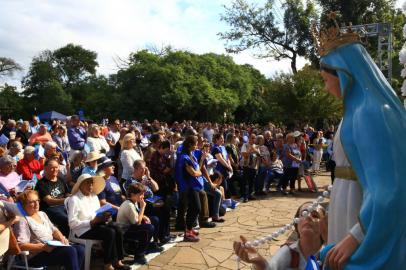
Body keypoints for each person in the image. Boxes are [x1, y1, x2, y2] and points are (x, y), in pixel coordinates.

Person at [315, 16, 406, 269]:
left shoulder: (372, 113)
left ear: (343, 73)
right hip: (346, 201)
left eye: (325, 79)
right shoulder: (353, 114)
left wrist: (356, 236)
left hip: (360, 212)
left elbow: (388, 188)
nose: (325, 88)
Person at [233, 202, 325, 270]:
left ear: (325, 225)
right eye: (304, 214)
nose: (308, 217)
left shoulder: (328, 254)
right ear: (296, 223)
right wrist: (260, 262)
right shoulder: (288, 252)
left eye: (315, 215)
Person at [66, 174, 130, 270]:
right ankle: (107, 264)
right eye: (87, 183)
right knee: (110, 232)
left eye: (91, 183)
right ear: (80, 185)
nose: (90, 186)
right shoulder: (74, 200)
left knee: (117, 228)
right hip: (82, 230)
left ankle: (118, 260)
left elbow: (97, 213)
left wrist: (104, 216)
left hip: (96, 224)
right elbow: (72, 224)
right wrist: (91, 222)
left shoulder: (94, 196)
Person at [13, 190, 84, 270]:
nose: (36, 204)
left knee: (80, 249)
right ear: (23, 205)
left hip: (51, 249)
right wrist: (42, 247)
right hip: (36, 256)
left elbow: (53, 229)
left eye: (37, 200)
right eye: (32, 202)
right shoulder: (23, 220)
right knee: (70, 251)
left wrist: (61, 237)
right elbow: (20, 245)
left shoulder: (42, 214)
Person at [117, 183, 162, 265]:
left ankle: (151, 245)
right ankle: (139, 255)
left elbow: (137, 214)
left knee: (154, 219)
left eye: (143, 194)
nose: (143, 197)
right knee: (149, 228)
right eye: (141, 194)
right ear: (132, 194)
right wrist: (142, 208)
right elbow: (137, 223)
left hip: (131, 226)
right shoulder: (129, 204)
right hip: (125, 231)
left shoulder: (134, 201)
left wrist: (144, 216)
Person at [36, 158, 70, 237]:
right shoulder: (42, 183)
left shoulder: (61, 179)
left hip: (63, 205)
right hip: (49, 208)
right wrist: (66, 200)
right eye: (52, 167)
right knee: (66, 219)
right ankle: (66, 238)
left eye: (56, 167)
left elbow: (67, 193)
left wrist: (73, 196)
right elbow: (49, 201)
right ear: (45, 168)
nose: (55, 169)